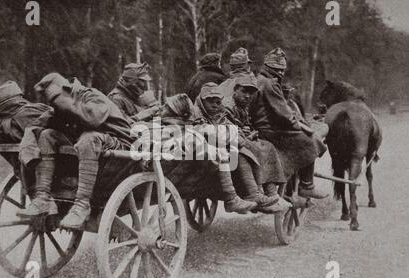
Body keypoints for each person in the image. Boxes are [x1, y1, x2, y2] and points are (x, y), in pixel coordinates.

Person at [17, 73, 134, 229]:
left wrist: (66, 105)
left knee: (88, 138)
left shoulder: (92, 96)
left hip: (119, 141)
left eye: (57, 99)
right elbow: (46, 124)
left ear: (67, 90)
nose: (56, 104)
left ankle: (82, 204)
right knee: (47, 136)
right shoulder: (65, 104)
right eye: (53, 101)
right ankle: (43, 198)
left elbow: (93, 119)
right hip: (94, 144)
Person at [158, 94, 258, 214]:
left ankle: (232, 197)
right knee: (220, 153)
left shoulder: (175, 125)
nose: (162, 108)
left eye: (167, 107)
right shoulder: (179, 128)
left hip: (169, 164)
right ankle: (231, 197)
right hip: (172, 173)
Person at [195, 82, 287, 213]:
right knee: (239, 152)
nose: (215, 105)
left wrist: (235, 136)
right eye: (210, 101)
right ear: (202, 100)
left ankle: (257, 193)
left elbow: (232, 130)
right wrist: (230, 136)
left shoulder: (217, 113)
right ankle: (244, 196)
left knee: (244, 151)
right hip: (200, 155)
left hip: (219, 148)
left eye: (217, 101)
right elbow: (203, 132)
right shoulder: (196, 113)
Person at [251, 47, 328, 199]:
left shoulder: (256, 80)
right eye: (276, 69)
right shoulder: (270, 84)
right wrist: (300, 125)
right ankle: (307, 185)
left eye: (281, 70)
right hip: (271, 131)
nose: (279, 73)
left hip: (259, 128)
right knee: (310, 141)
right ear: (267, 67)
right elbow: (284, 115)